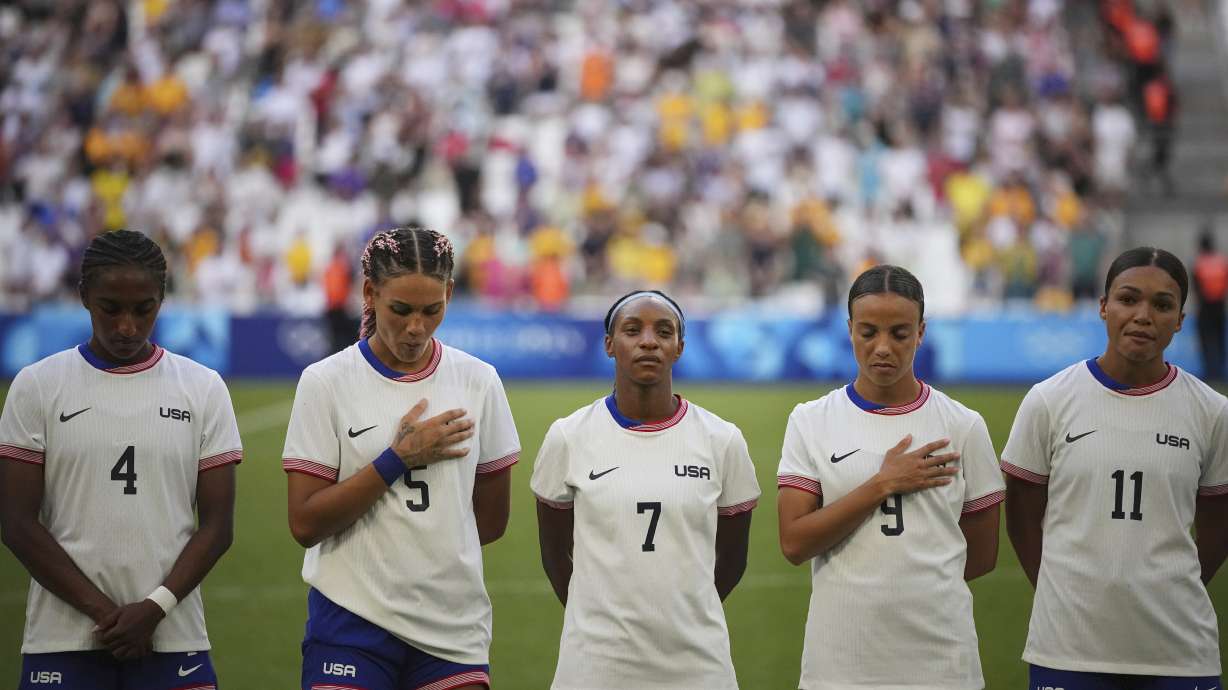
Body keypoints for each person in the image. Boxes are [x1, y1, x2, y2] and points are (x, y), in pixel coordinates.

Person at [0, 229, 241, 690]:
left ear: (162, 299)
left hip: (173, 638)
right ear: (85, 295)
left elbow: (217, 527)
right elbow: (17, 525)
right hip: (63, 640)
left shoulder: (203, 388)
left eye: (143, 309)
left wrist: (154, 610)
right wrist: (108, 616)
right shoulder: (37, 386)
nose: (127, 326)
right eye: (111, 308)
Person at [283, 226, 519, 690]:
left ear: (450, 293)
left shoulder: (479, 381)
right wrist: (397, 459)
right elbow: (305, 524)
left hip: (452, 628)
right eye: (401, 310)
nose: (416, 327)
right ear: (370, 294)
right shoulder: (325, 382)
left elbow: (490, 522)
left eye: (433, 310)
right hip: (350, 622)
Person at [1003, 247, 1228, 689]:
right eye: (1128, 299)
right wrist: (1059, 595)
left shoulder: (1212, 412)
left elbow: (1219, 527)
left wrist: (1169, 590)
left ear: (1180, 319)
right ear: (1104, 306)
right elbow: (1023, 518)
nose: (1143, 315)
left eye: (1162, 305)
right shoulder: (1049, 400)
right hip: (1067, 647)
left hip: (1180, 651)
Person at [776, 265, 1004, 690]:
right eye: (868, 332)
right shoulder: (810, 421)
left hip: (941, 664)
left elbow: (983, 553)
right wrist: (882, 484)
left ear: (921, 332)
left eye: (899, 333)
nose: (883, 347)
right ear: (849, 330)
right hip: (839, 665)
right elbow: (794, 542)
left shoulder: (963, 426)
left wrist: (913, 588)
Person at [531, 290, 761, 690]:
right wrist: (596, 621)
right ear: (609, 344)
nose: (649, 341)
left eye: (663, 331)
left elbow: (733, 559)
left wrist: (685, 615)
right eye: (632, 330)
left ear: (679, 347)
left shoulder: (722, 440)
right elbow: (554, 553)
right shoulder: (569, 436)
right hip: (594, 665)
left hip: (697, 663)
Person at [1193, 230, 1228, 381]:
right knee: (1220, 339)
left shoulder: (1198, 263)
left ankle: (1210, 372)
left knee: (1206, 339)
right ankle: (1220, 371)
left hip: (1205, 307)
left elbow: (1196, 288)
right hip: (1219, 306)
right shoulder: (1221, 261)